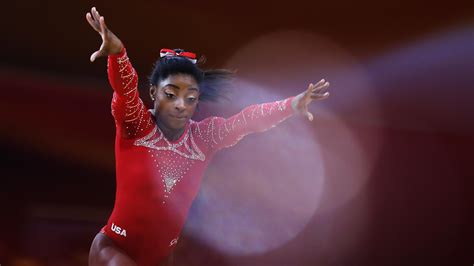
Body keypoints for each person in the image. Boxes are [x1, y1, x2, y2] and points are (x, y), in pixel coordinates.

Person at [85, 6, 330, 266]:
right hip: (113, 250)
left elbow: (247, 121)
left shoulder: (204, 137)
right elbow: (125, 90)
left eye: (190, 98)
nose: (180, 104)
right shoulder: (136, 124)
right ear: (154, 92)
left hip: (160, 259)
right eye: (170, 94)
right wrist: (118, 54)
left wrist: (292, 105)